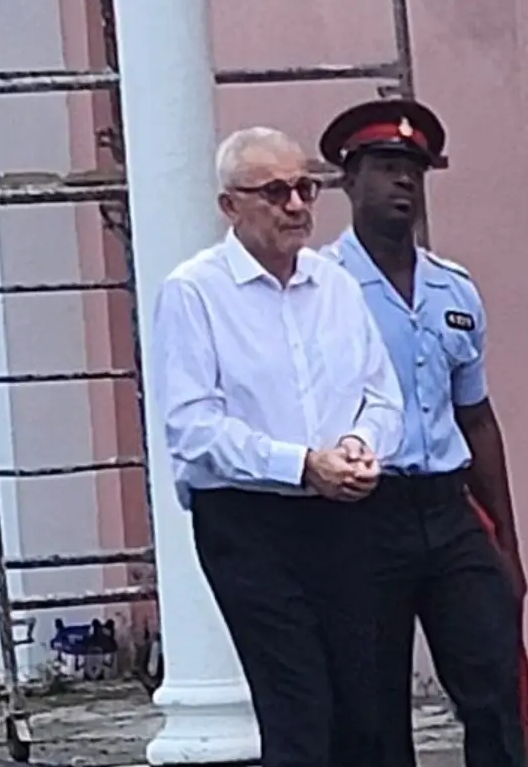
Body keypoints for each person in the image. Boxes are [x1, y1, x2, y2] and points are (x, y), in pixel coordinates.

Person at [150, 126, 404, 767]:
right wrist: (299, 466)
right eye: (274, 192)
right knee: (298, 707)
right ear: (230, 206)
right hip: (249, 520)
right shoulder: (194, 292)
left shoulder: (336, 285)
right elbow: (192, 424)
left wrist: (357, 445)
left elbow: (382, 395)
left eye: (304, 188)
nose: (295, 206)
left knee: (363, 710)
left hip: (344, 512)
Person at [318, 100, 528, 767]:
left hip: (446, 508)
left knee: (492, 684)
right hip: (361, 514)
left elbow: (476, 417)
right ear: (349, 181)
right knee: (373, 708)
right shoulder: (319, 289)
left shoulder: (452, 289)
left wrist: (505, 542)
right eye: (385, 168)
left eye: (412, 169)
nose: (402, 183)